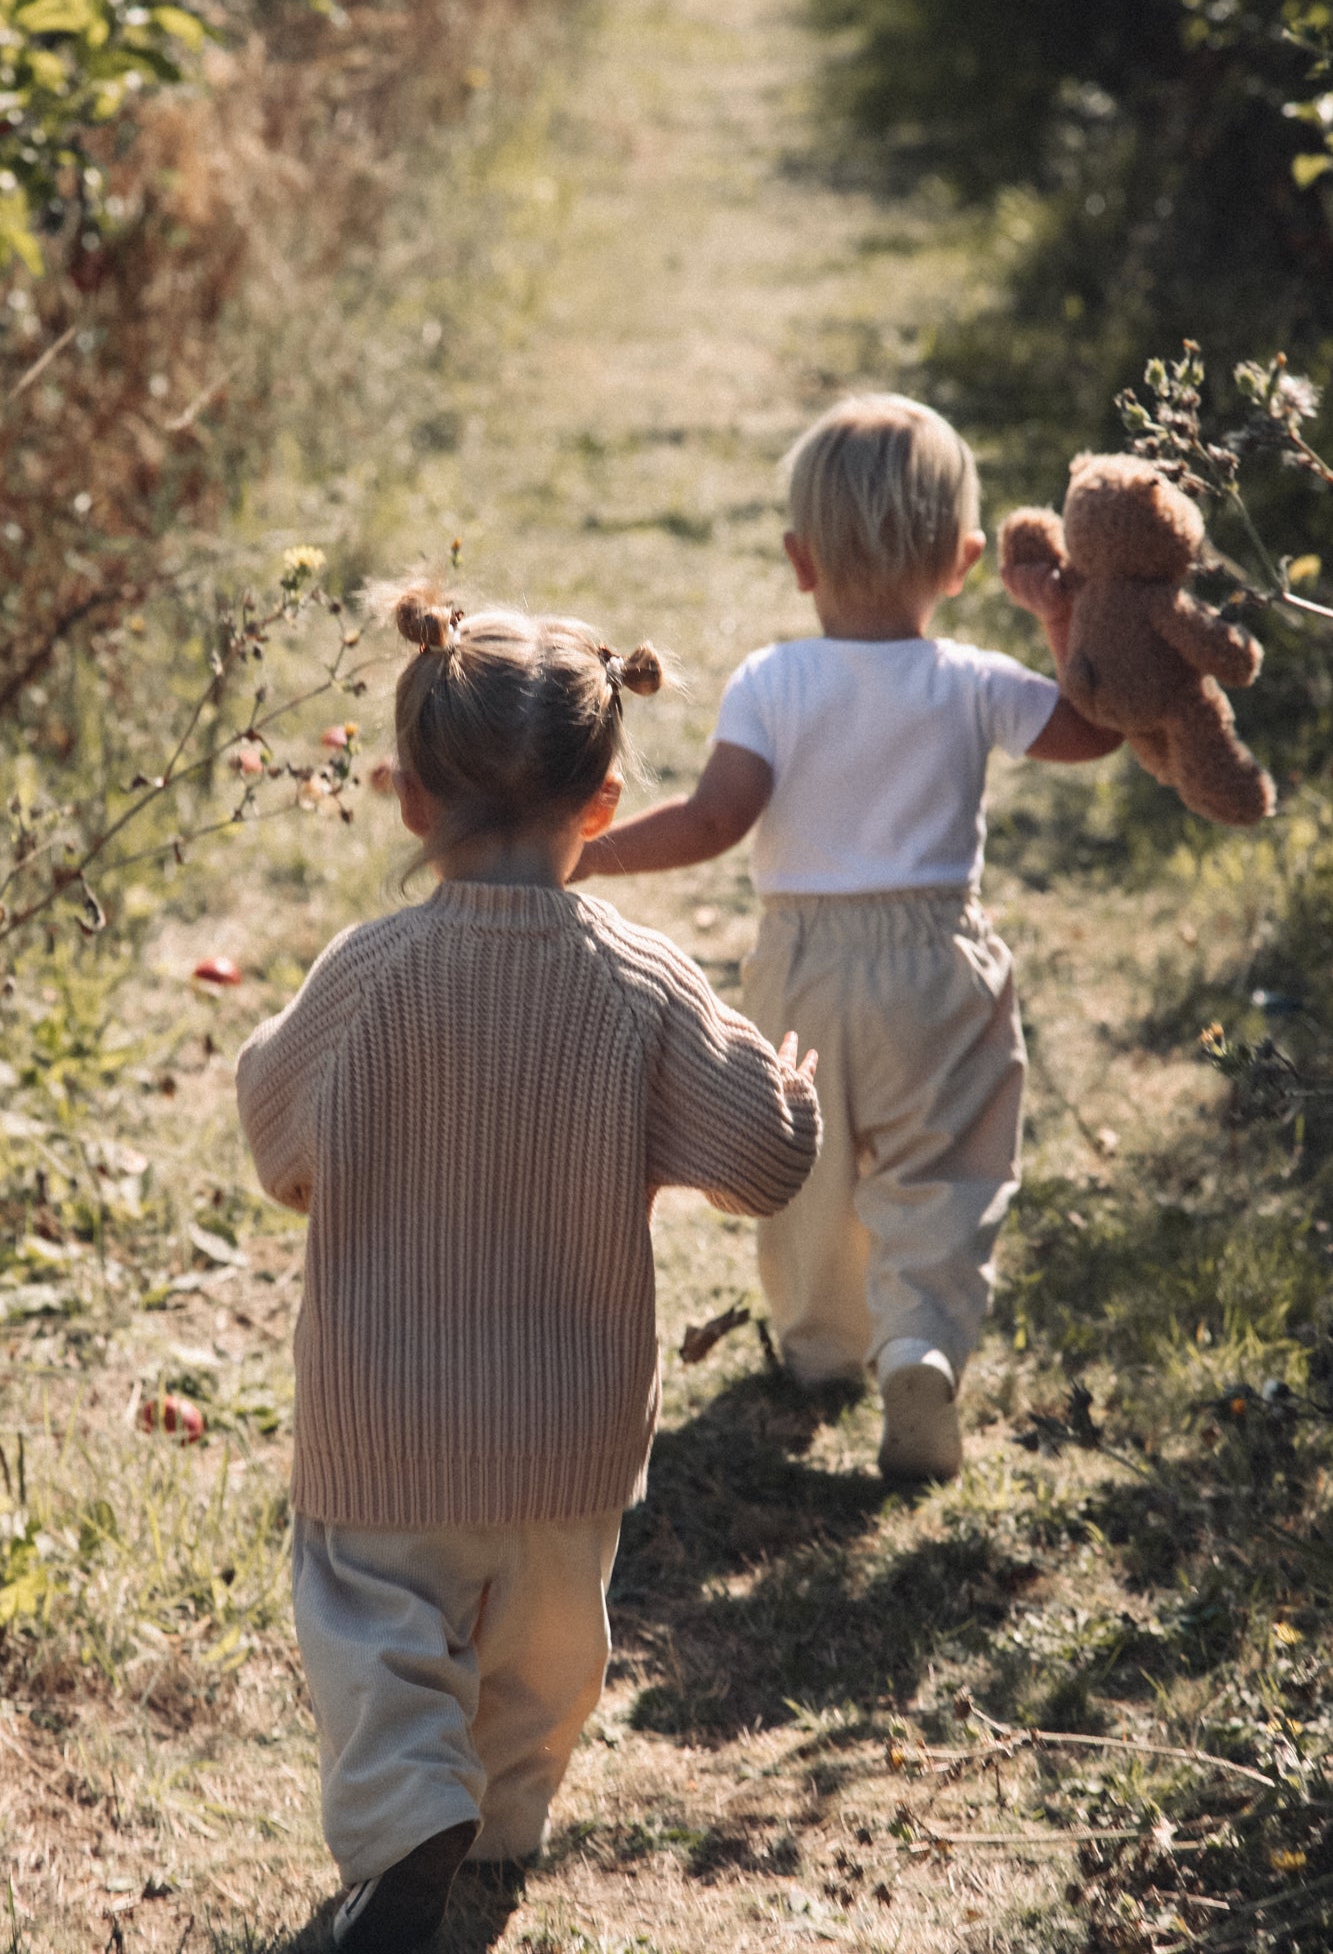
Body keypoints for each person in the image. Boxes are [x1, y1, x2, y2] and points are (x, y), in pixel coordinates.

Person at [236, 593, 820, 1953]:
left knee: (380, 1639)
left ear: (409, 798)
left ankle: (410, 1823)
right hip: (567, 1439)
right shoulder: (642, 980)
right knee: (545, 1660)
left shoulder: (367, 973)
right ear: (604, 805)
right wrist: (783, 1093)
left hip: (381, 1426)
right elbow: (764, 1166)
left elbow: (277, 1139)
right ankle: (490, 1830)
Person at [575, 392, 1121, 1486]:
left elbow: (714, 820)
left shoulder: (773, 681)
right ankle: (919, 1338)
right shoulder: (971, 679)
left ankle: (823, 1346)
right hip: (937, 963)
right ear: (964, 560)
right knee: (946, 1165)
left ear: (797, 560)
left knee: (807, 1165)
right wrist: (1061, 620)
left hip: (801, 965)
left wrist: (584, 854)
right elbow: (1091, 727)